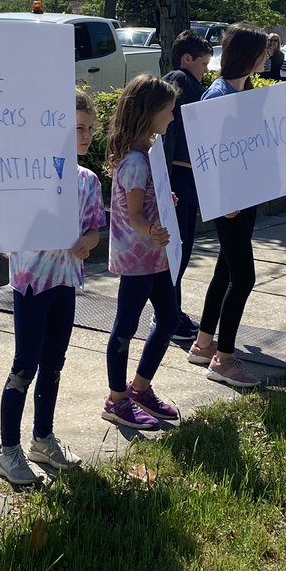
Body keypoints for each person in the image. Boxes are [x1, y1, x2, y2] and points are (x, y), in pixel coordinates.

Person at [0, 90, 106, 485]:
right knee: (24, 366)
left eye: (89, 129)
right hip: (32, 283)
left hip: (65, 283)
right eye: (77, 129)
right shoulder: (29, 177)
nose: (84, 136)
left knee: (53, 364)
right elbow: (7, 223)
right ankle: (7, 449)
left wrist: (90, 241)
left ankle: (43, 439)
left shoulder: (87, 180)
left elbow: (93, 228)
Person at [188, 24, 286, 388]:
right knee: (244, 277)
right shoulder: (218, 95)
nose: (267, 56)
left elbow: (256, 148)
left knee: (225, 272)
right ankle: (223, 359)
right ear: (248, 55)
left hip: (244, 199)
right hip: (233, 203)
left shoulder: (243, 91)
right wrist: (221, 198)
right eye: (263, 52)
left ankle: (203, 343)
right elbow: (206, 156)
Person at [102, 73, 181, 430]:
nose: (173, 117)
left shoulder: (148, 154)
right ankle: (116, 399)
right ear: (149, 112)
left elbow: (146, 204)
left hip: (157, 257)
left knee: (169, 319)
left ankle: (140, 388)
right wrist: (152, 226)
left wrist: (164, 202)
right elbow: (133, 215)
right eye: (168, 110)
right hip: (138, 260)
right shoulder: (135, 162)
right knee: (126, 326)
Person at [161, 30, 213, 343]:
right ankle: (168, 314)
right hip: (179, 178)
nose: (207, 69)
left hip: (186, 177)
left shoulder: (187, 82)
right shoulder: (179, 79)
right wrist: (163, 176)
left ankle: (172, 311)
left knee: (182, 250)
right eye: (204, 63)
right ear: (187, 58)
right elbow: (167, 131)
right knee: (177, 251)